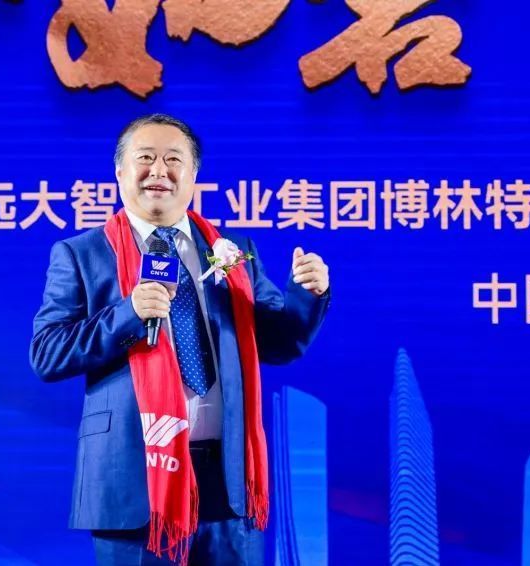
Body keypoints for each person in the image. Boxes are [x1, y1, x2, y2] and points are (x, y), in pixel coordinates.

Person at [30, 114, 330, 565]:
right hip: (133, 479)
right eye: (145, 158)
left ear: (193, 175)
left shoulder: (230, 250)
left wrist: (308, 295)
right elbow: (48, 352)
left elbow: (278, 343)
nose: (159, 170)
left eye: (174, 160)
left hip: (226, 478)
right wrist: (129, 314)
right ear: (120, 171)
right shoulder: (81, 253)